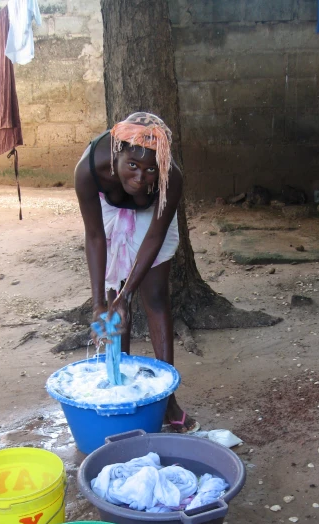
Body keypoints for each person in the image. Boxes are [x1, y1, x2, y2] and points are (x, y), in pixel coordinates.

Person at [74, 111, 198, 433]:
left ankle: (167, 400)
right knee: (113, 302)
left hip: (150, 216)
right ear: (117, 153)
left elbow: (155, 236)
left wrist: (129, 294)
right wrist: (99, 302)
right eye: (132, 166)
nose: (140, 178)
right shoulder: (89, 170)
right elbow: (95, 236)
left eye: (150, 170)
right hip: (111, 211)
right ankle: (119, 386)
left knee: (154, 296)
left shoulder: (173, 179)